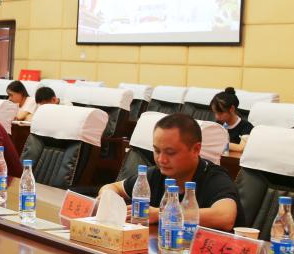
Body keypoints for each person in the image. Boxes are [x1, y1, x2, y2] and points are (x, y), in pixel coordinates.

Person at [99, 113, 245, 231]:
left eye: (170, 152)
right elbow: (112, 187)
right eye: (157, 151)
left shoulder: (215, 178)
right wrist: (108, 199)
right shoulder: (156, 174)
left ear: (196, 149)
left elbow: (225, 217)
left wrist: (161, 214)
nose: (161, 159)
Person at [211, 87, 253, 154]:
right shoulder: (218, 124)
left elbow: (241, 148)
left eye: (220, 113)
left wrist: (216, 144)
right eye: (215, 113)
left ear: (232, 109)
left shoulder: (246, 127)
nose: (217, 117)